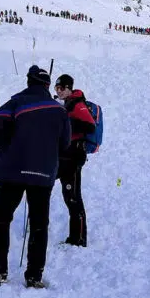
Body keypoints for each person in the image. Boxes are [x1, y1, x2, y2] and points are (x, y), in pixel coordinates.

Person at [0, 66, 70, 288]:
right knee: (39, 224)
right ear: (47, 85)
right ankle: (34, 275)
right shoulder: (59, 110)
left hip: (12, 171)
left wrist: (5, 147)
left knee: (2, 219)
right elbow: (65, 143)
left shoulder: (15, 103)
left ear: (28, 82)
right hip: (42, 174)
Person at [53, 74, 95, 247]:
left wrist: (66, 123)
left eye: (61, 88)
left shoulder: (78, 104)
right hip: (63, 156)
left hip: (74, 157)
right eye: (56, 88)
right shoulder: (66, 104)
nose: (59, 91)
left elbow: (89, 126)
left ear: (69, 88)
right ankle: (75, 237)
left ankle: (78, 239)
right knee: (68, 195)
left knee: (73, 197)